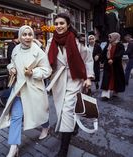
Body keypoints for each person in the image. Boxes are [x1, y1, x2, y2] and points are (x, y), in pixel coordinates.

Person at [0, 25, 52, 157]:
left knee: (40, 112)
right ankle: (14, 147)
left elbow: (47, 70)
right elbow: (12, 63)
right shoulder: (15, 49)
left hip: (33, 88)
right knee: (16, 117)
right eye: (24, 34)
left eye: (30, 34)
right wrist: (11, 68)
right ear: (20, 36)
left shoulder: (38, 51)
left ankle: (46, 126)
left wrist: (33, 72)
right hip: (19, 90)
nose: (27, 37)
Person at [46, 13, 94, 157]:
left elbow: (88, 59)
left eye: (62, 23)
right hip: (58, 81)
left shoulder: (76, 41)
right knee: (62, 110)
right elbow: (44, 60)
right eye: (57, 23)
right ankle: (72, 126)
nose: (59, 26)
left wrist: (89, 78)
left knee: (66, 110)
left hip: (74, 79)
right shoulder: (51, 41)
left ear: (68, 24)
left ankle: (63, 149)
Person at [100, 32, 125, 100]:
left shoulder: (120, 45)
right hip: (108, 65)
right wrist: (101, 59)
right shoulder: (108, 44)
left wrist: (113, 59)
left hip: (116, 66)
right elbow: (103, 53)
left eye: (110, 37)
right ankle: (105, 95)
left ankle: (115, 92)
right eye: (109, 37)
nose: (109, 39)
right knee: (106, 79)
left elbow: (120, 53)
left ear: (115, 37)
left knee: (116, 79)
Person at [0, 32, 19, 106]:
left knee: (15, 85)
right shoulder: (12, 45)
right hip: (14, 69)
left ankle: (8, 99)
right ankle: (3, 96)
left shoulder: (15, 45)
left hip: (16, 68)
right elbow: (10, 57)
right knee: (15, 86)